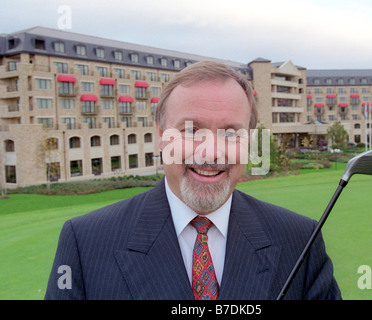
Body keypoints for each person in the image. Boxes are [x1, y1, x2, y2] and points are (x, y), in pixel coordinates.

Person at [45, 61, 341, 300]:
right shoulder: (85, 243)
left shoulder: (301, 240)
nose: (211, 152)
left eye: (230, 133)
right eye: (190, 130)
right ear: (161, 136)